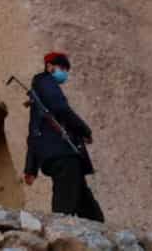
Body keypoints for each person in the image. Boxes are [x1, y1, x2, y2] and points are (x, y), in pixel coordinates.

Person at [22, 51, 104, 222]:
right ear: (50, 67)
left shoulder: (38, 96)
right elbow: (62, 109)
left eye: (66, 69)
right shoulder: (46, 82)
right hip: (62, 153)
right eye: (62, 68)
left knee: (85, 202)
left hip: (58, 155)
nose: (65, 73)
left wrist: (31, 168)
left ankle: (100, 231)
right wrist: (85, 131)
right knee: (64, 205)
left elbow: (33, 134)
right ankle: (59, 233)